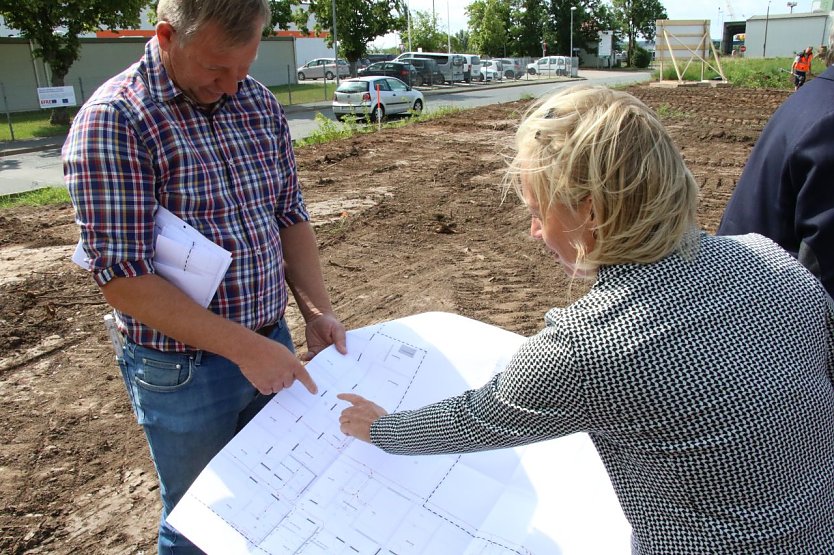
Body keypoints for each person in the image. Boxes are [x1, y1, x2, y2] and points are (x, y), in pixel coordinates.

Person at [338, 85, 834, 552]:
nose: (534, 231)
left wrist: (382, 429)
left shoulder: (590, 342)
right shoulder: (770, 260)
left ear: (591, 211)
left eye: (538, 210)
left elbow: (473, 420)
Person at [63, 1, 347, 552]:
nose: (231, 86)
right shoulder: (115, 122)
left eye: (244, 69)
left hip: (272, 344)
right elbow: (122, 278)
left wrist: (316, 312)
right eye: (217, 70)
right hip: (182, 372)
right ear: (167, 37)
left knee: (277, 500)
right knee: (199, 519)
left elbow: (288, 215)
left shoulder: (257, 104)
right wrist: (245, 349)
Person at [718, 33, 834, 300]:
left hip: (747, 281)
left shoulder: (814, 98)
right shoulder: (828, 121)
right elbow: (824, 275)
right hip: (767, 304)